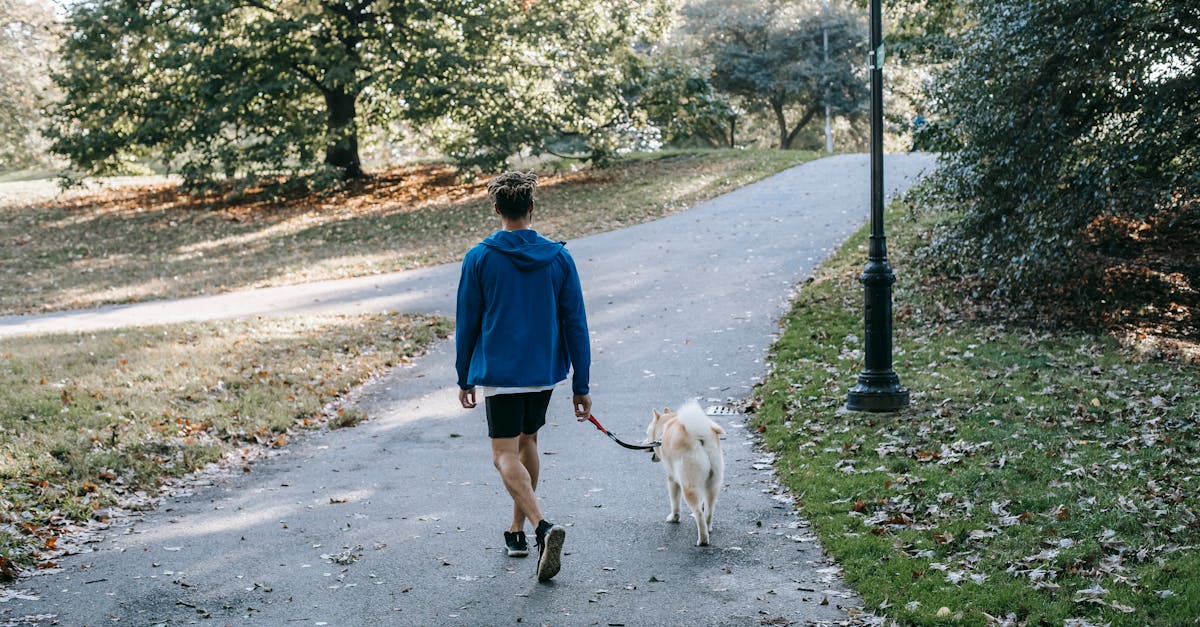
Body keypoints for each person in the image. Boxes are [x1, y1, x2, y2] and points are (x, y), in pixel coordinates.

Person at [454, 171, 592, 582]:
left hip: (502, 370)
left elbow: (468, 322)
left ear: (497, 209)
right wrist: (580, 384)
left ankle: (540, 526)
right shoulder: (559, 257)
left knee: (503, 454)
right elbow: (576, 322)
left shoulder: (479, 257)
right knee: (528, 441)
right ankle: (515, 532)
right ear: (531, 207)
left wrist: (465, 376)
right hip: (543, 370)